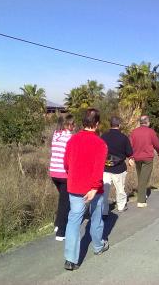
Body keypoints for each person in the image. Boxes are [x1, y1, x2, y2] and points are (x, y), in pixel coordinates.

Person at [63, 108, 109, 271]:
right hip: (93, 189)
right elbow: (98, 169)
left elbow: (66, 164)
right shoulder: (100, 144)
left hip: (75, 187)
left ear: (83, 122)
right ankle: (98, 247)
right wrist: (95, 187)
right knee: (96, 218)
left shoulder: (72, 140)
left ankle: (70, 259)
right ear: (97, 124)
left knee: (74, 220)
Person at [49, 115, 75, 241]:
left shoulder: (55, 134)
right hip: (64, 174)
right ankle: (61, 232)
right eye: (73, 124)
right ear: (68, 125)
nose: (74, 127)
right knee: (66, 203)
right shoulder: (69, 137)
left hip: (53, 172)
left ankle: (57, 223)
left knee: (62, 200)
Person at [101, 116, 133, 215]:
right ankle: (121, 206)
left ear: (110, 125)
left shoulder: (103, 137)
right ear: (119, 125)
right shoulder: (123, 138)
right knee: (120, 189)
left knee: (104, 191)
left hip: (105, 168)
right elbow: (129, 152)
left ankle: (104, 211)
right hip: (119, 168)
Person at [130, 115, 159, 208]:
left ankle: (142, 194)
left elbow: (130, 145)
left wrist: (131, 156)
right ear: (147, 122)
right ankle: (141, 200)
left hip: (137, 158)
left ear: (140, 122)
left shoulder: (134, 132)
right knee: (144, 178)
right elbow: (157, 144)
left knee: (141, 177)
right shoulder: (151, 132)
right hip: (147, 158)